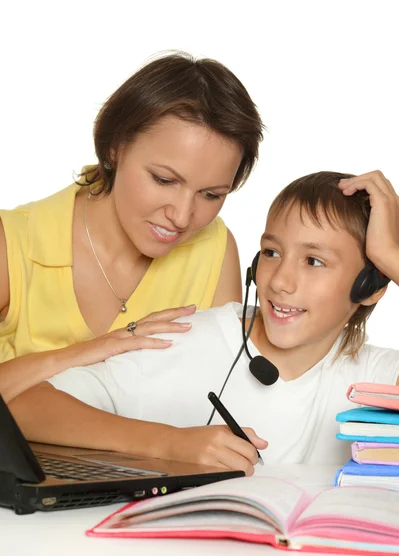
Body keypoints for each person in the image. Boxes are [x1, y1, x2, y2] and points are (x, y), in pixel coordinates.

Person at [8, 170, 399, 475]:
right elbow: (24, 407)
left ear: (370, 285)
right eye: (272, 252)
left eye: (313, 261)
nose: (279, 281)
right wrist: (169, 444)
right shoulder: (186, 337)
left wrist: (392, 258)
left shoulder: (379, 376)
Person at [0, 51, 264, 399]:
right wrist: (93, 352)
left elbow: (227, 393)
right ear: (115, 148)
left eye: (211, 195)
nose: (183, 217)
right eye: (164, 180)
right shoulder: (12, 242)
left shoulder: (214, 248)